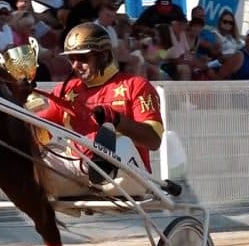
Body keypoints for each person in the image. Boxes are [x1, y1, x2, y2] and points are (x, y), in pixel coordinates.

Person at [33, 22, 164, 197]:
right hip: (78, 172)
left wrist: (117, 120)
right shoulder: (66, 91)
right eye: (72, 59)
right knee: (32, 161)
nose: (75, 66)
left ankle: (98, 171)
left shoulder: (136, 85)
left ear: (103, 56)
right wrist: (18, 102)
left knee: (121, 143)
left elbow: (153, 141)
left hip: (126, 176)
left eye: (83, 58)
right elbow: (38, 128)